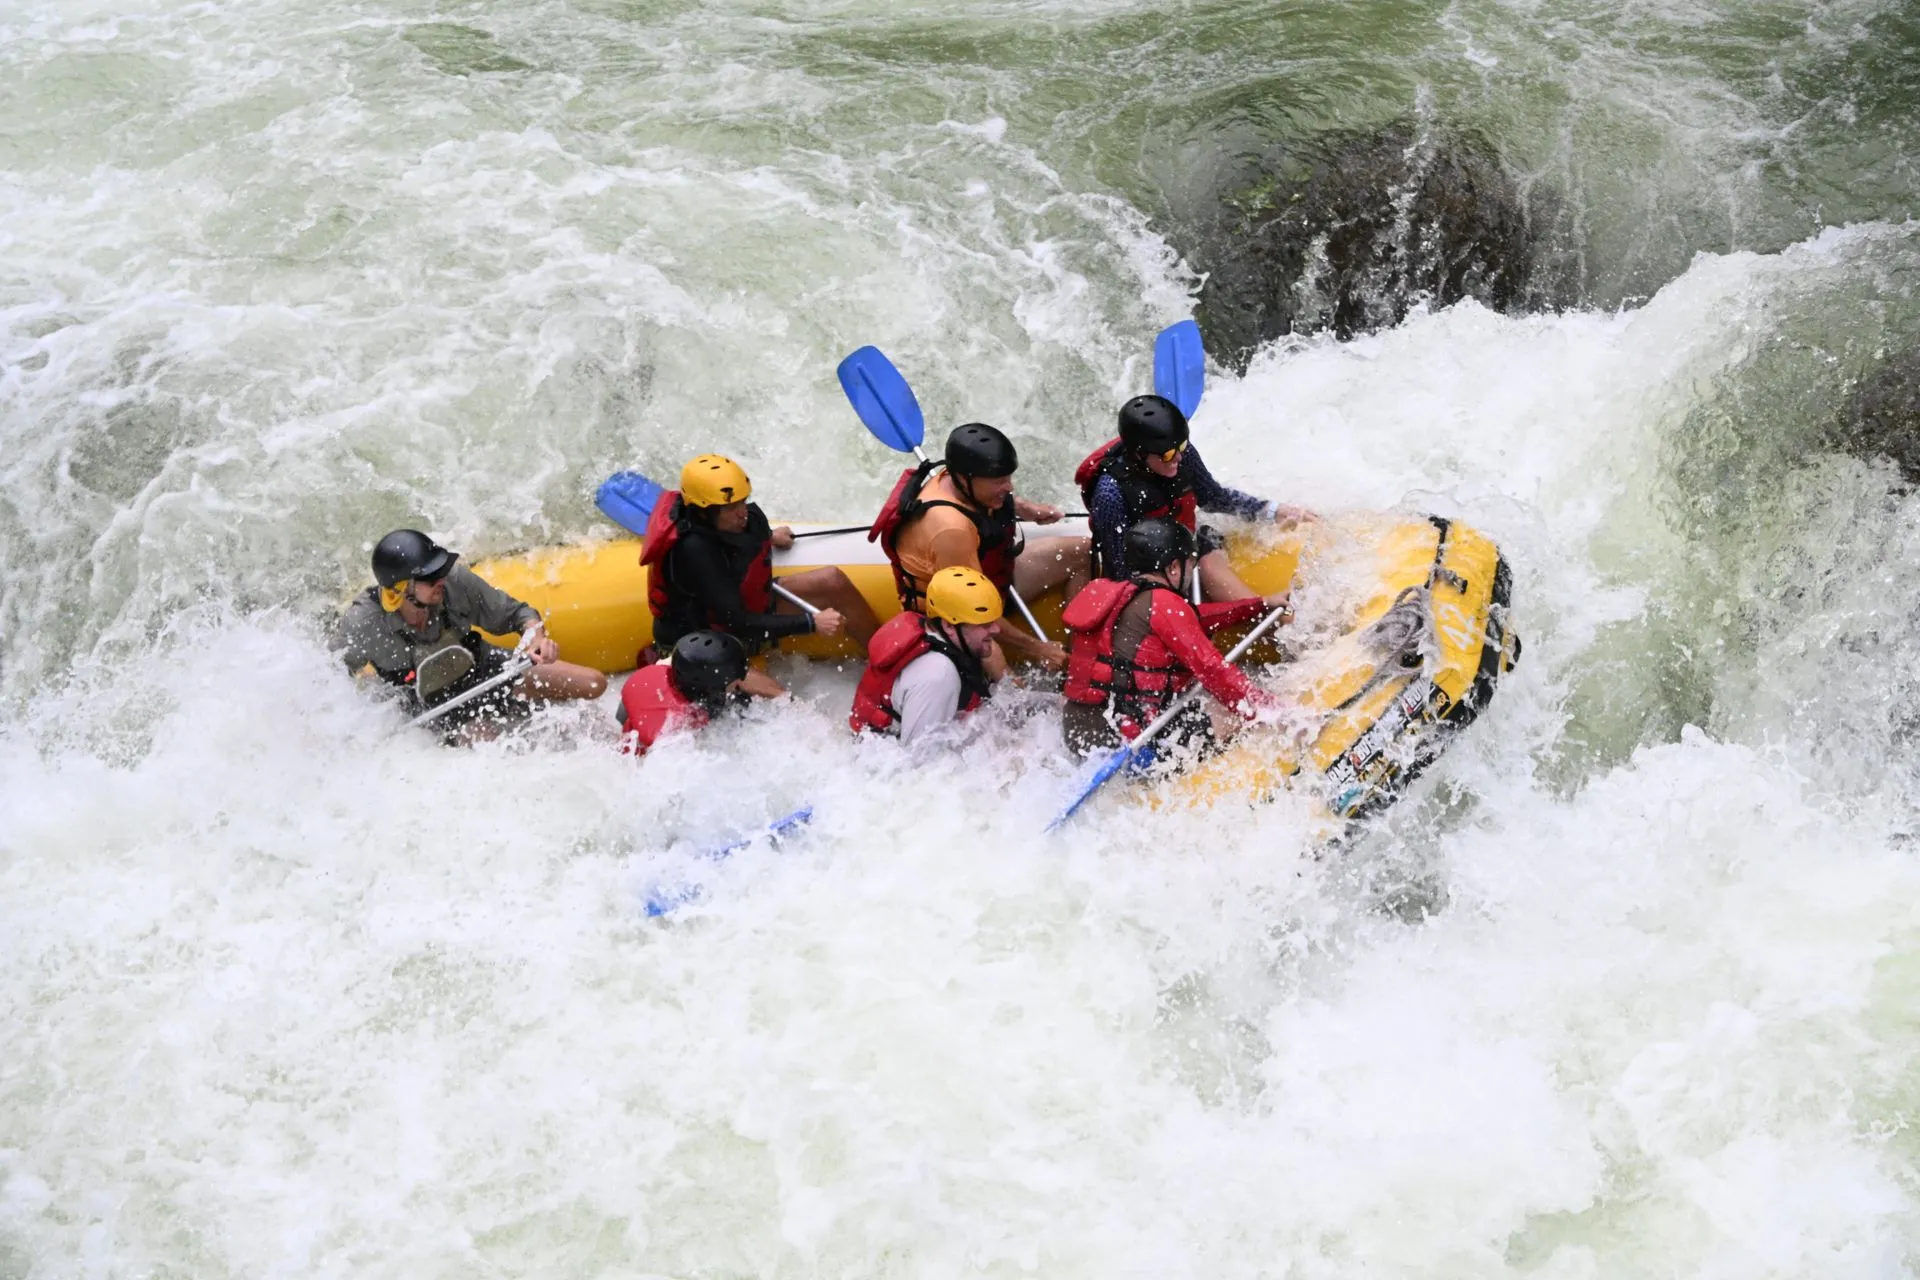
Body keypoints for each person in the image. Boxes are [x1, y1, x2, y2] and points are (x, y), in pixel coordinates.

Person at [335, 529, 607, 734]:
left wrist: (537, 638)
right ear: (401, 589)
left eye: (440, 570)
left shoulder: (453, 582)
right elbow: (333, 675)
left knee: (594, 683)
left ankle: (521, 705)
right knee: (488, 739)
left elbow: (517, 614)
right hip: (435, 707)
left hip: (483, 669)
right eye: (430, 578)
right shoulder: (364, 623)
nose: (440, 579)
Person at [1060, 518, 1290, 760]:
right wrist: (1271, 711)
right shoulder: (1163, 603)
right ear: (1173, 569)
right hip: (1128, 740)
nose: (1191, 573)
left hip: (1080, 731)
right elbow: (1213, 670)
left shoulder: (1125, 595)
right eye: (1189, 564)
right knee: (1229, 712)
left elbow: (1195, 618)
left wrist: (1259, 605)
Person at [869, 422, 1090, 668]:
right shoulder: (950, 528)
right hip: (956, 617)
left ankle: (1080, 658)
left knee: (1082, 552)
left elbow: (981, 502)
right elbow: (974, 610)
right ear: (965, 479)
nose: (1008, 487)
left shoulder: (954, 478)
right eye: (999, 481)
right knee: (1008, 688)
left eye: (1007, 478)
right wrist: (1038, 649)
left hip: (989, 577)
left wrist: (1027, 509)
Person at [641, 455, 880, 670]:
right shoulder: (694, 551)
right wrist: (811, 623)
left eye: (743, 501)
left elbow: (734, 544)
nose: (742, 512)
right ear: (704, 512)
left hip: (740, 606)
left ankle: (886, 661)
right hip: (707, 639)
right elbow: (737, 622)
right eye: (731, 507)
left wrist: (769, 535)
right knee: (779, 695)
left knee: (833, 580)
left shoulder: (728, 522)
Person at [1075, 394, 1315, 602]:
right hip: (1149, 572)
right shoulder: (1110, 493)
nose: (1178, 459)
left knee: (1210, 560)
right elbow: (1120, 568)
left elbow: (1213, 497)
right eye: (1169, 455)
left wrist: (1272, 510)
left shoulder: (1181, 453)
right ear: (1139, 454)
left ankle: (1269, 613)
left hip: (1186, 545)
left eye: (1181, 447)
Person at [849, 566, 1008, 744]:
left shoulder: (939, 635)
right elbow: (921, 764)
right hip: (884, 759)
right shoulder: (937, 675)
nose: (997, 629)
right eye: (984, 625)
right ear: (948, 626)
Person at [618, 630, 775, 756]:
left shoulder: (652, 673)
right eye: (735, 680)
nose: (741, 680)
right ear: (711, 687)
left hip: (630, 736)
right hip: (651, 758)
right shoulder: (679, 731)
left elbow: (622, 715)